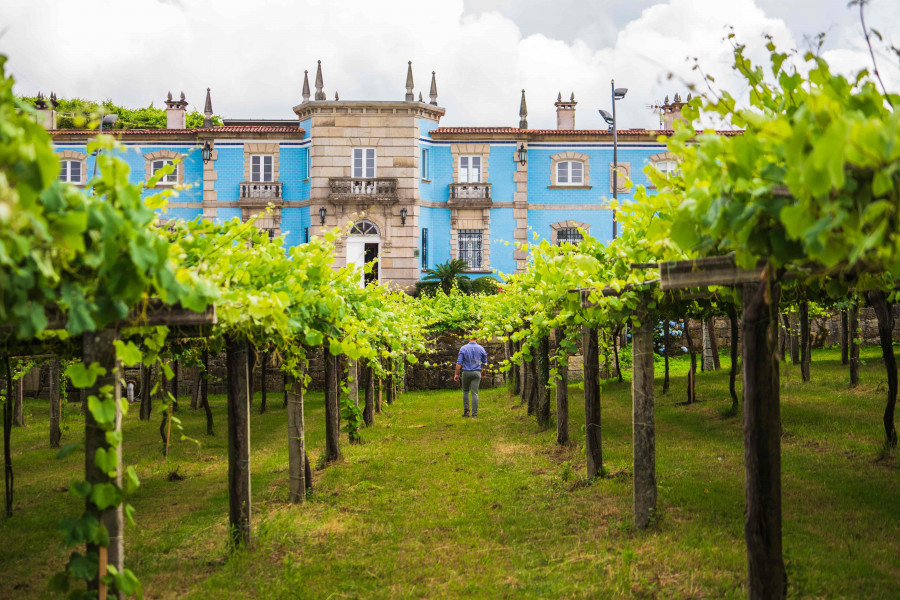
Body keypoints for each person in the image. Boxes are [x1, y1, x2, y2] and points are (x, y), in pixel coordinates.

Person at [454, 337, 488, 417]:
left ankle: (466, 412)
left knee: (465, 391)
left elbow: (459, 363)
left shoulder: (463, 348)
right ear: (477, 338)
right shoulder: (481, 348)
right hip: (477, 372)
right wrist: (484, 371)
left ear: (468, 338)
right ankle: (474, 413)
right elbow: (485, 363)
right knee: (474, 393)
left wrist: (456, 374)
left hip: (466, 372)